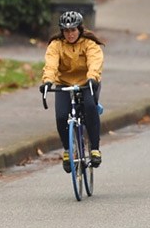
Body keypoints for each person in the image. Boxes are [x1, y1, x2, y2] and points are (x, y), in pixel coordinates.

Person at [40, 11, 105, 172]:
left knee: (90, 107)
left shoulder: (89, 43)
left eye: (73, 30)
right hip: (64, 83)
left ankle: (95, 148)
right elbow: (51, 65)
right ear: (62, 31)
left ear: (80, 29)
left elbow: (95, 61)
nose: (70, 34)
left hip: (87, 83)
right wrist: (48, 81)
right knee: (61, 116)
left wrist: (92, 78)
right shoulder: (56, 45)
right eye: (66, 31)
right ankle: (68, 150)